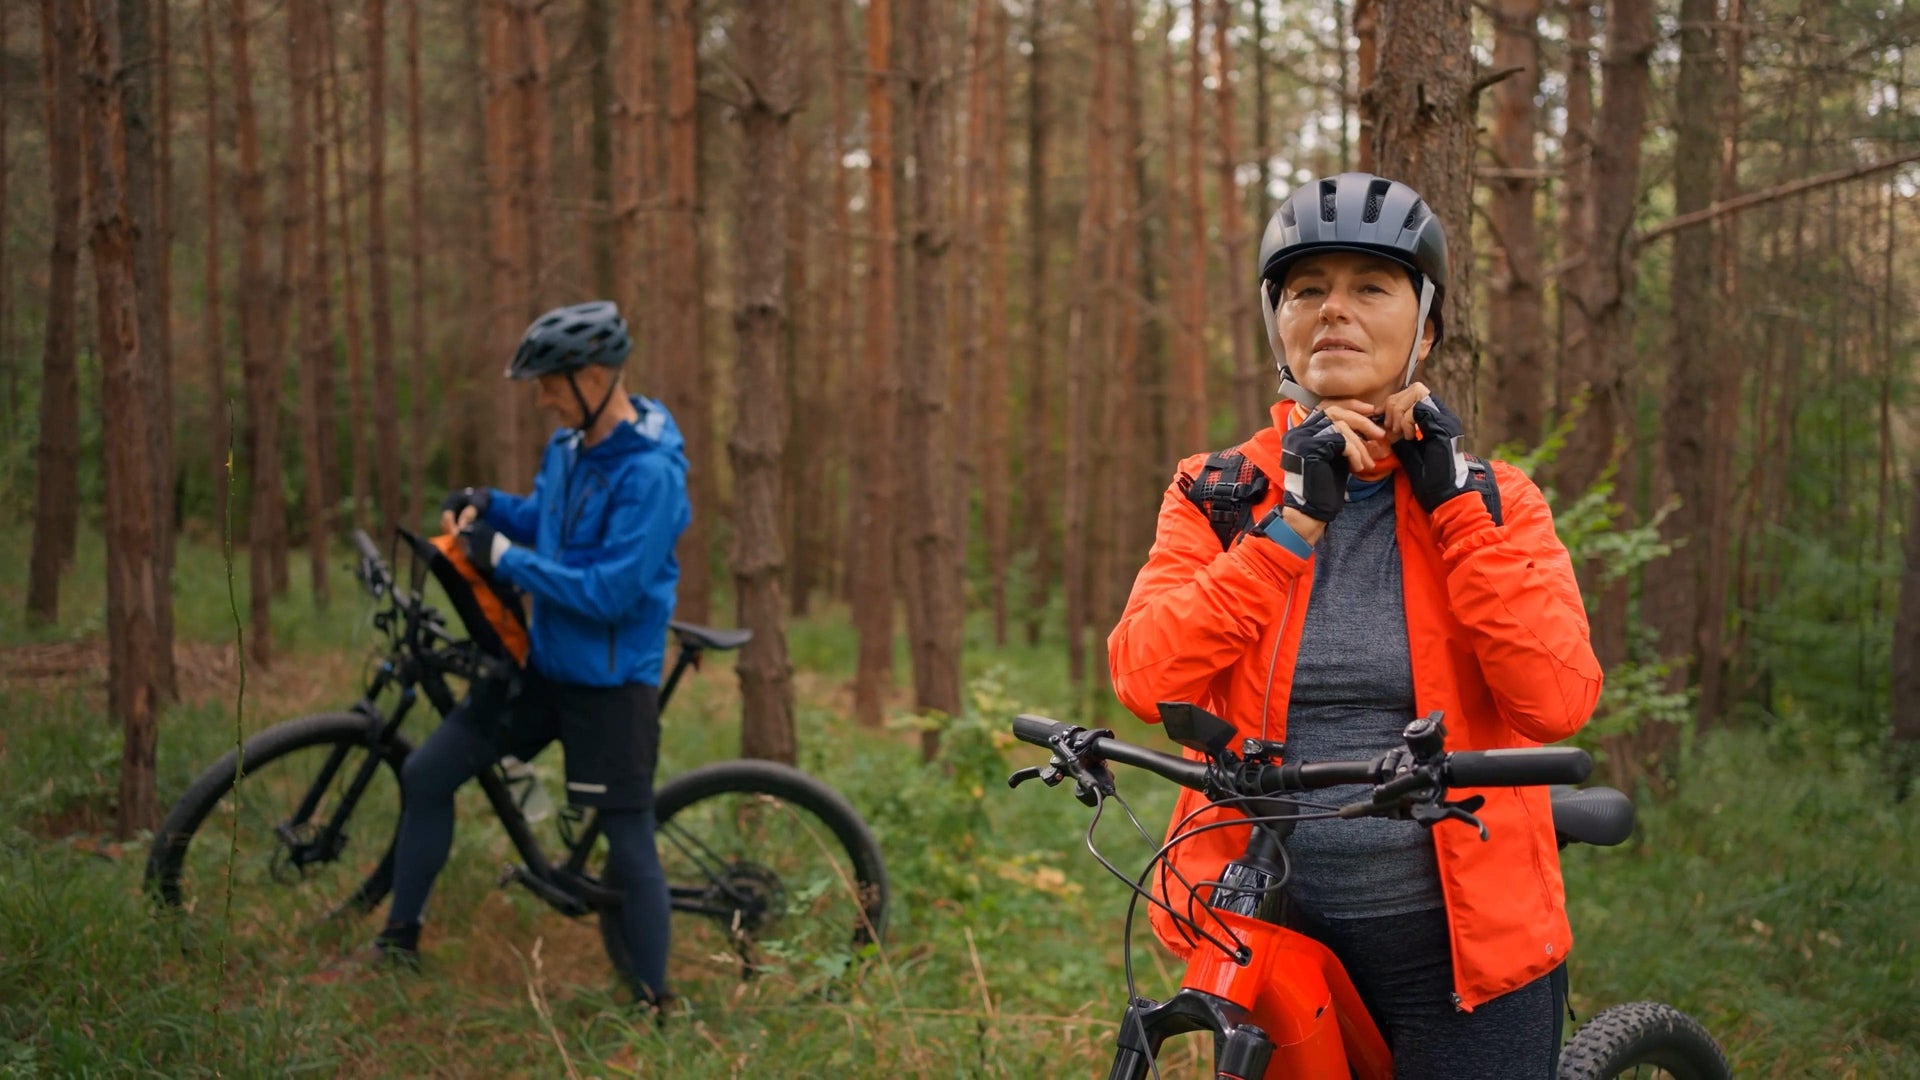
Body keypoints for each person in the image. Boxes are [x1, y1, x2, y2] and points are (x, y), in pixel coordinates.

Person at [1107, 173, 1602, 1078]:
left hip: (1460, 944)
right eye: (1307, 290)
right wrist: (1291, 524)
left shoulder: (1499, 500)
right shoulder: (1218, 492)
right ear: (1279, 324)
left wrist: (1455, 508)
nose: (1333, 309)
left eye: (1371, 287)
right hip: (1270, 920)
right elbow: (1146, 676)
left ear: (1427, 328)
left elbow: (1556, 700)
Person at [367, 300, 690, 1011]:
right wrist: (489, 504)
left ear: (595, 377)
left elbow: (609, 591)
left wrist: (507, 558)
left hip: (611, 684)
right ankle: (397, 943)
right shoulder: (568, 447)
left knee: (629, 841)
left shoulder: (652, 476)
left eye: (550, 384)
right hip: (543, 666)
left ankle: (654, 1004)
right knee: (427, 774)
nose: (542, 400)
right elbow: (547, 520)